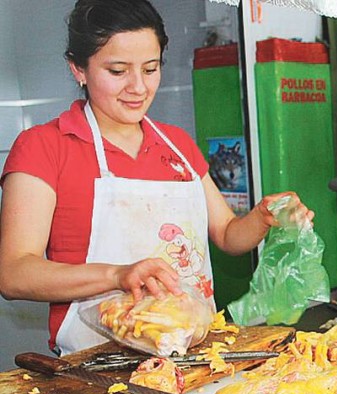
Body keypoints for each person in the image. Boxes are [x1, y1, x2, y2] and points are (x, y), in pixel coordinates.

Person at [0, 0, 313, 355]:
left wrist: (263, 217)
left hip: (195, 358)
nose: (138, 87)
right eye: (118, 71)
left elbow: (227, 234)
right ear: (79, 69)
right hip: (97, 369)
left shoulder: (177, 144)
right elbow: (14, 273)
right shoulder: (44, 147)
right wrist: (117, 276)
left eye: (150, 69)